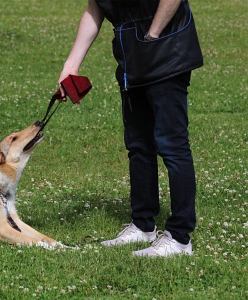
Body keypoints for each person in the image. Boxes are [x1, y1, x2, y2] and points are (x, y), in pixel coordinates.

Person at [58, 0, 203, 257]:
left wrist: (153, 34)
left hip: (167, 48)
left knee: (172, 145)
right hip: (133, 57)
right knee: (138, 144)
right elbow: (95, 9)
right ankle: (143, 224)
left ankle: (180, 238)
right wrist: (71, 65)